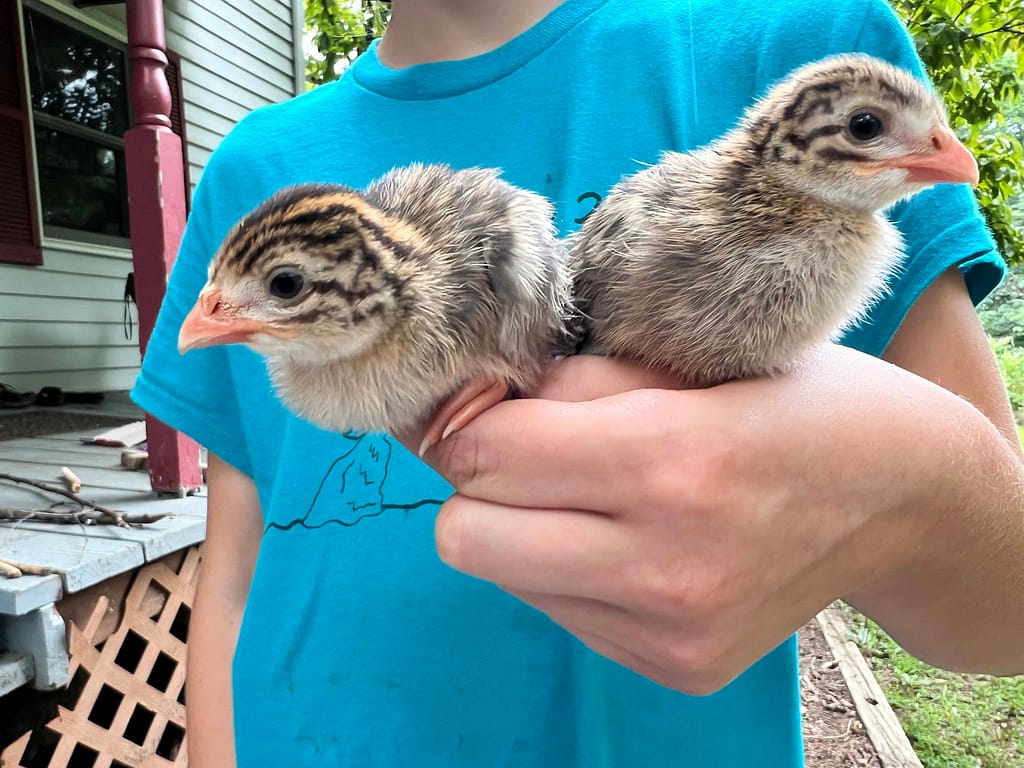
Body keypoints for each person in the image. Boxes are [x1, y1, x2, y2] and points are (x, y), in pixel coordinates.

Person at [132, 0, 1024, 765]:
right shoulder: (251, 166)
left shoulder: (795, 43)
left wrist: (909, 477)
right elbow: (236, 575)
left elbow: (1006, 618)